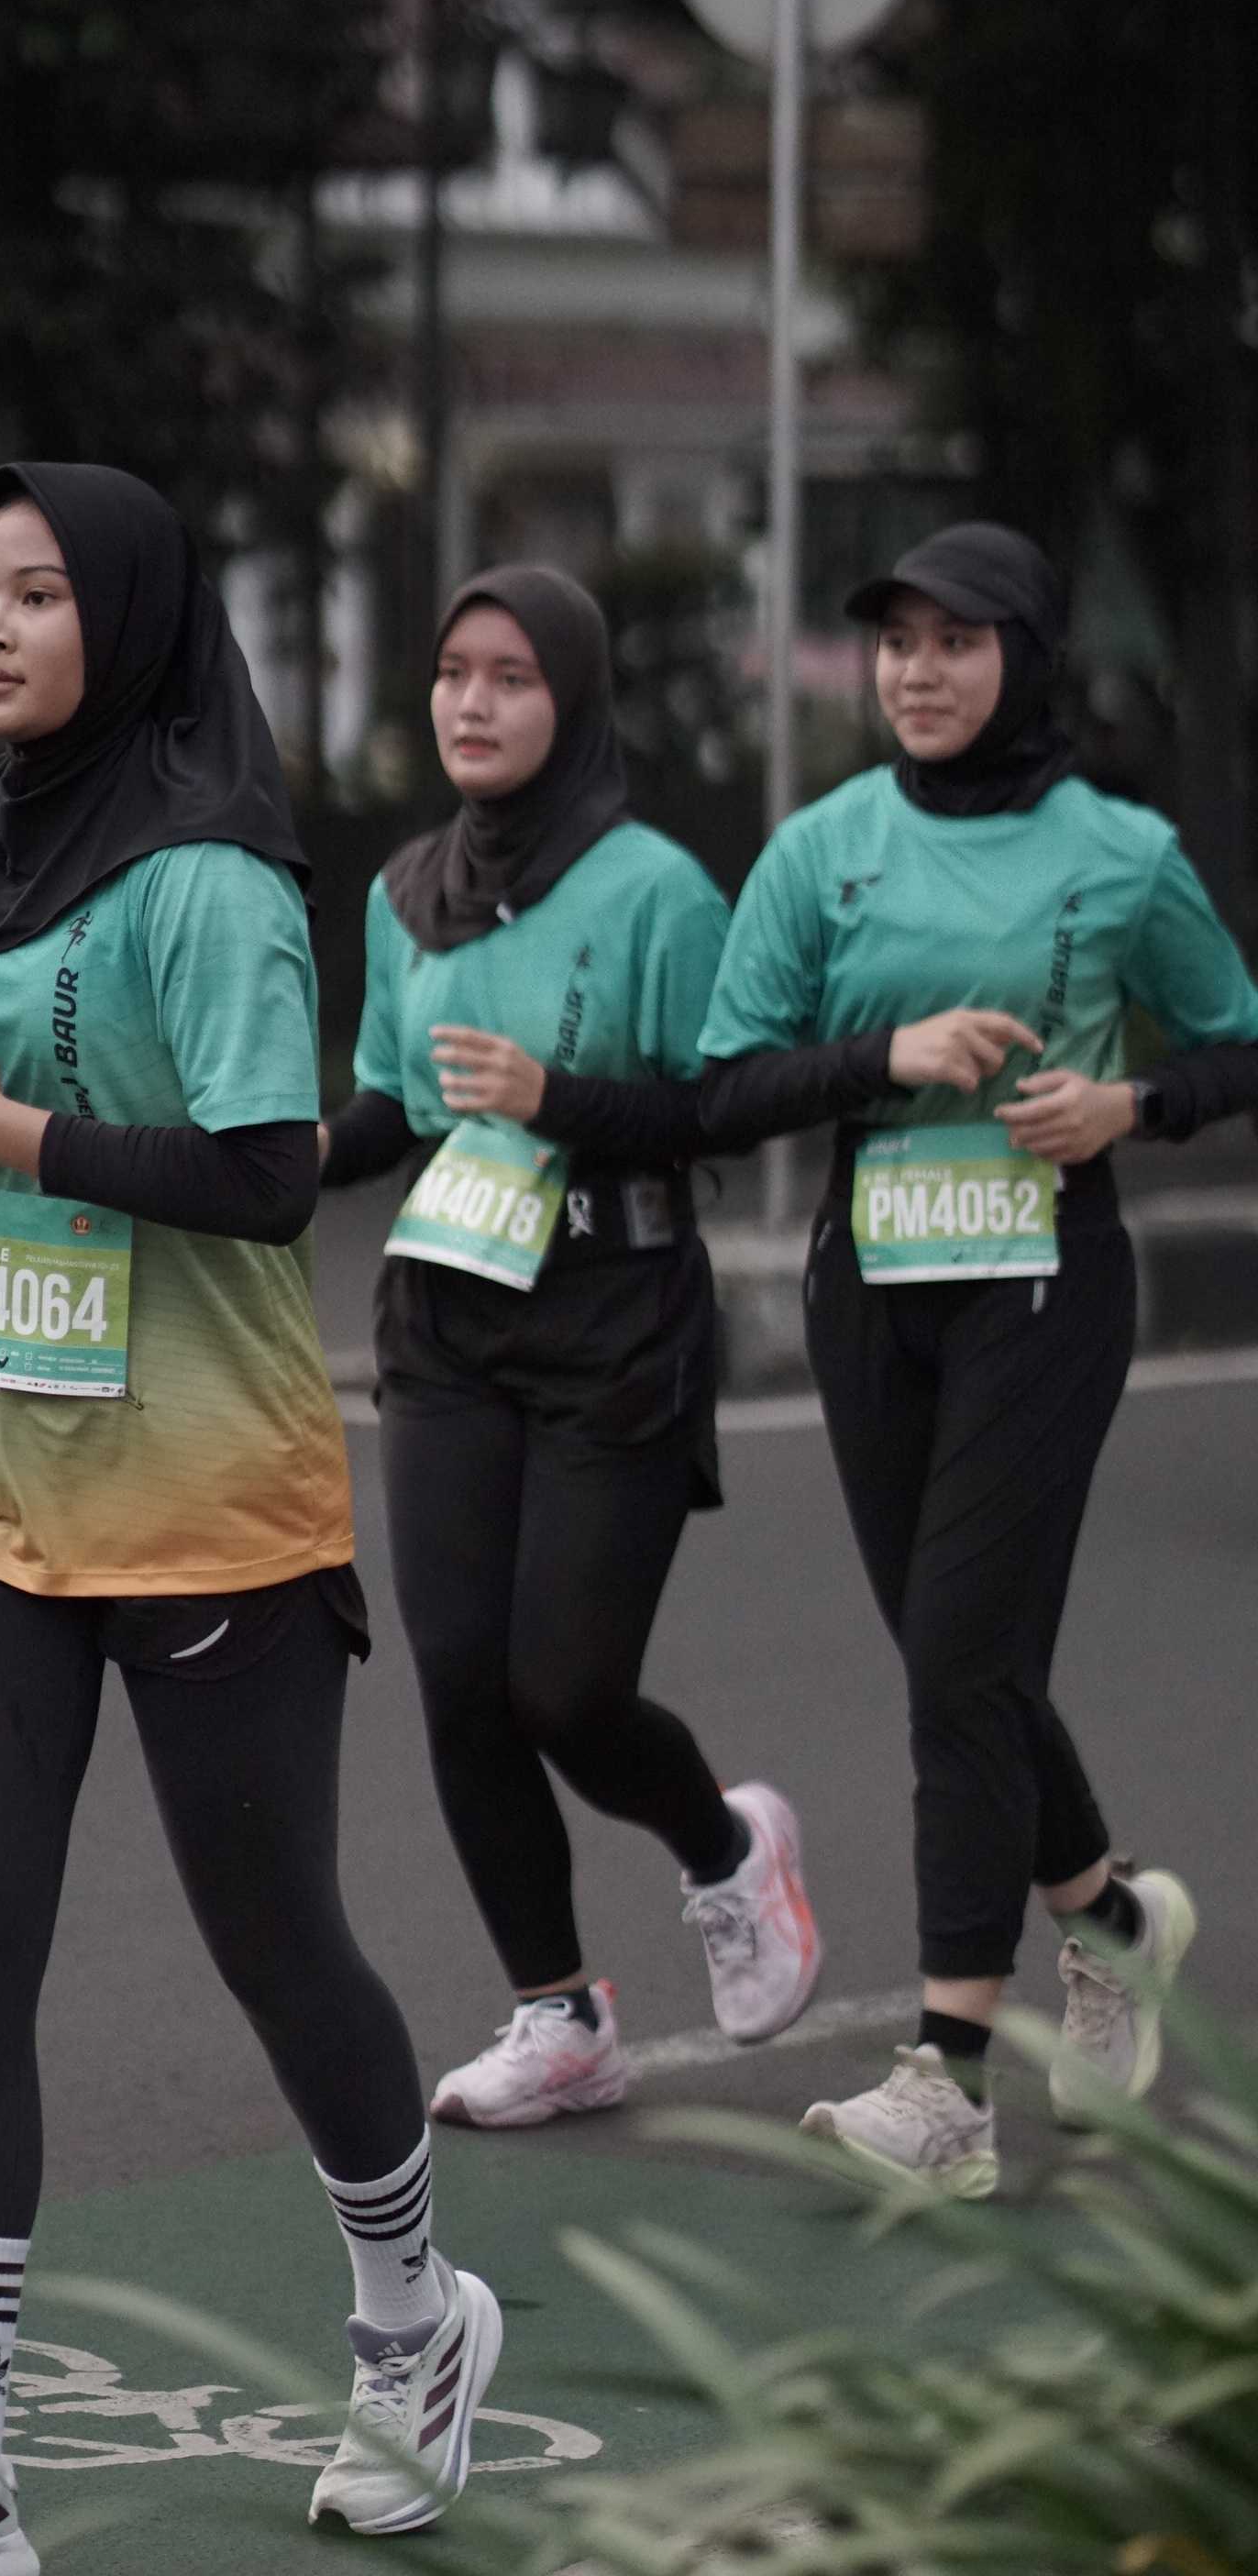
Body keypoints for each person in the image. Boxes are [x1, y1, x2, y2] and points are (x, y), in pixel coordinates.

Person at [0, 463, 500, 2572]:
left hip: (207, 1504)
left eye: (36, 593)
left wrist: (2, 1124)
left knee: (276, 1945)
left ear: (130, 616)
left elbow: (270, 1176)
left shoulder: (217, 880)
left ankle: (413, 2322)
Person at [698, 520, 1258, 2195]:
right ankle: (1110, 1919)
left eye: (956, 641)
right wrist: (887, 1054)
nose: (919, 672)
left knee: (958, 1661)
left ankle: (947, 2084)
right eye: (897, 643)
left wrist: (1130, 1104)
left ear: (1026, 657)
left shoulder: (1121, 852)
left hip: (1046, 1285)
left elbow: (1238, 1043)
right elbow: (725, 1085)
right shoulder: (821, 849)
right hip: (871, 1283)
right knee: (972, 1662)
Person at [319, 563, 821, 2135]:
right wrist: (272, 1161)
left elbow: (728, 1104)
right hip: (448, 1315)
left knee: (569, 1689)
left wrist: (561, 1100)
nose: (471, 704)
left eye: (512, 678)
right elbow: (394, 1107)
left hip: (617, 1314)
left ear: (575, 699)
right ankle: (561, 2016)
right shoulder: (407, 894)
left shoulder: (658, 890)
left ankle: (729, 1849)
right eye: (452, 674)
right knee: (462, 1688)